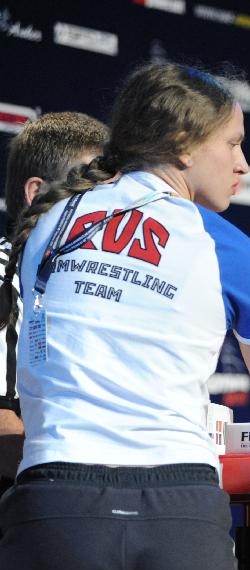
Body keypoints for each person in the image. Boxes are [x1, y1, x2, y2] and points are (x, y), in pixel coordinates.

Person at [0, 61, 250, 570]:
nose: (243, 164)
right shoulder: (224, 245)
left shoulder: (49, 223)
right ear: (182, 144)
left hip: (54, 510)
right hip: (177, 517)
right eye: (233, 143)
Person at [0, 111, 109, 497]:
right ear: (37, 193)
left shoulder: (100, 282)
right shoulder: (4, 276)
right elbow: (3, 429)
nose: (111, 208)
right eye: (91, 187)